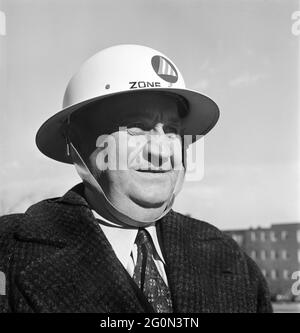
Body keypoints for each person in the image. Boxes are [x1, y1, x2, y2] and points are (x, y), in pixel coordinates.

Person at [0, 45, 272, 313]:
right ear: (77, 142)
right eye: (136, 127)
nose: (161, 150)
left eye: (172, 131)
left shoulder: (229, 258)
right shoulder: (9, 252)